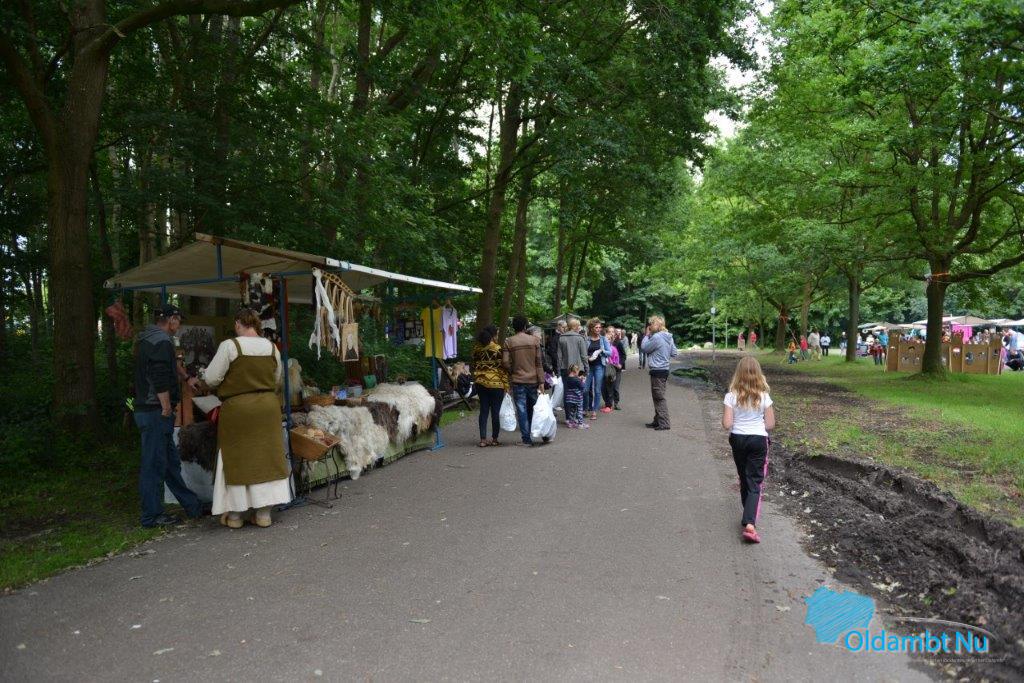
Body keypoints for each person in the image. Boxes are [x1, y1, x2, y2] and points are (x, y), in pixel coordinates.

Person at [203, 308, 290, 529]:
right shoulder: (271, 347)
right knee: (266, 457)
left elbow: (211, 378)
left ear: (238, 324)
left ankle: (235, 516)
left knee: (236, 458)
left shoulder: (230, 346)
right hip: (267, 408)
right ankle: (263, 514)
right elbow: (277, 379)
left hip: (238, 410)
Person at [133, 304, 203, 528]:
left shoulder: (149, 337)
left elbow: (170, 362)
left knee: (170, 463)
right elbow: (159, 376)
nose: (179, 324)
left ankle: (192, 505)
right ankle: (151, 516)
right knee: (154, 464)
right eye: (178, 320)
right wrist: (165, 406)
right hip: (155, 410)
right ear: (171, 319)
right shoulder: (161, 341)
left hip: (150, 410)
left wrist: (187, 378)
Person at [721, 356, 775, 544]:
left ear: (738, 373)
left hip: (738, 439)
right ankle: (750, 524)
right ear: (758, 374)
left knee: (744, 477)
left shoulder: (731, 396)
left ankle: (748, 515)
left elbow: (727, 424)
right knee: (755, 481)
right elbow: (770, 424)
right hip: (758, 440)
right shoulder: (764, 396)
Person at [503, 315, 546, 446]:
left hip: (517, 380)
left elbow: (505, 362)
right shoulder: (534, 341)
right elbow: (539, 363)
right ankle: (543, 434)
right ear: (525, 326)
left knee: (521, 410)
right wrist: (541, 381)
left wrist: (513, 370)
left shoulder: (509, 341)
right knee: (535, 408)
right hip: (533, 380)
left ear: (513, 327)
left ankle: (526, 439)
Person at [472, 324, 508, 447]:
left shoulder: (477, 350)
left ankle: (483, 439)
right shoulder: (497, 349)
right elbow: (502, 369)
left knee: (483, 411)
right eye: (496, 335)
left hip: (480, 383)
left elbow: (474, 366)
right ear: (492, 336)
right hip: (496, 384)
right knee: (495, 411)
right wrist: (506, 385)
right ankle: (494, 439)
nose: (497, 337)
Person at [641, 315, 677, 430]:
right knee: (657, 396)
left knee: (659, 397)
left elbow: (644, 348)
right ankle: (657, 421)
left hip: (657, 370)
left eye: (651, 324)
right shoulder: (668, 337)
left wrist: (647, 335)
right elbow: (674, 353)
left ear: (656, 325)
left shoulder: (656, 337)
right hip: (664, 370)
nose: (649, 326)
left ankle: (664, 423)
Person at [583, 317, 610, 420]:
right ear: (591, 328)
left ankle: (594, 411)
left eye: (599, 327)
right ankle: (585, 408)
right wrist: (587, 357)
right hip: (588, 366)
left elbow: (609, 352)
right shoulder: (586, 339)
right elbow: (583, 353)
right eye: (596, 327)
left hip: (599, 366)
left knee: (597, 389)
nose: (598, 329)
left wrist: (602, 351)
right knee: (585, 389)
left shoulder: (603, 339)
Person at [558, 317, 589, 385]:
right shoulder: (580, 338)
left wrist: (558, 371)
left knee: (566, 390)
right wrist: (587, 369)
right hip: (578, 370)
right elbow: (584, 356)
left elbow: (559, 357)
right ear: (575, 327)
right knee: (578, 389)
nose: (579, 327)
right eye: (578, 326)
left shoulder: (561, 338)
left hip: (565, 369)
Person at [601, 327, 621, 413]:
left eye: (608, 339)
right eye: (605, 339)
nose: (607, 341)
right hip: (603, 370)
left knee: (609, 388)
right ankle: (607, 404)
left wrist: (613, 363)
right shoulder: (602, 348)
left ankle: (609, 406)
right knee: (603, 388)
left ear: (611, 340)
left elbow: (617, 360)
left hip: (610, 371)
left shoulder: (613, 348)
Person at [563, 365, 587, 429]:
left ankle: (570, 423)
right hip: (578, 397)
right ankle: (580, 424)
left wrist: (579, 379)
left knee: (572, 411)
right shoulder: (577, 380)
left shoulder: (567, 378)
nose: (578, 373)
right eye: (578, 372)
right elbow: (582, 387)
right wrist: (583, 381)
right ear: (575, 371)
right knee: (579, 410)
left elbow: (573, 381)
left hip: (570, 398)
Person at [611, 328, 628, 410]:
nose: (613, 334)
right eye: (610, 332)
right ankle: (608, 403)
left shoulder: (619, 343)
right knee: (607, 387)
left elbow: (624, 355)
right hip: (608, 368)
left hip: (617, 368)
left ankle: (616, 403)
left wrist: (620, 364)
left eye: (614, 333)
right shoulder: (606, 342)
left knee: (615, 387)